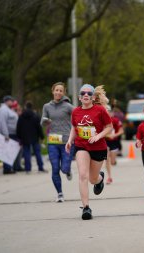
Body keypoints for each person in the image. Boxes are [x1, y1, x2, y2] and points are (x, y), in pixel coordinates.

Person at [65, 84, 112, 220]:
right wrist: (70, 140)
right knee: (83, 176)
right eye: (83, 93)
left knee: (92, 179)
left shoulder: (100, 110)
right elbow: (75, 127)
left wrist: (98, 136)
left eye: (89, 93)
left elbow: (109, 127)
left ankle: (100, 179)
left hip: (98, 147)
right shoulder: (75, 112)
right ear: (79, 97)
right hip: (82, 146)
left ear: (92, 97)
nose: (86, 95)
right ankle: (86, 208)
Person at [41, 82, 74, 202]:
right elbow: (42, 121)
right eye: (56, 90)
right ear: (53, 91)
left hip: (66, 142)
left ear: (64, 93)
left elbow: (78, 115)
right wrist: (46, 121)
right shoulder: (47, 106)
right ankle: (60, 193)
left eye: (61, 91)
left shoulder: (68, 106)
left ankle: (68, 170)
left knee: (64, 169)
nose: (58, 92)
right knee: (55, 168)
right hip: (53, 142)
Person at [17, 101, 46, 174]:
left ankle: (28, 169)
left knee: (27, 153)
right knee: (37, 152)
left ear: (25, 107)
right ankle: (40, 167)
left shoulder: (21, 116)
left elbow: (18, 127)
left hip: (24, 137)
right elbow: (39, 127)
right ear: (32, 107)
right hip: (35, 137)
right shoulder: (35, 116)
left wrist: (19, 137)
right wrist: (42, 137)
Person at [0, 95, 23, 174]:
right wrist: (6, 135)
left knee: (13, 151)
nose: (12, 102)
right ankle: (7, 169)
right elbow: (3, 123)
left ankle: (14, 166)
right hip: (9, 134)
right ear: (7, 101)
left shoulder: (8, 109)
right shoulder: (3, 110)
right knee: (8, 152)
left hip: (13, 134)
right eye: (11, 101)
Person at [105, 107, 124, 184]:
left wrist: (115, 135)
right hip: (105, 141)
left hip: (114, 141)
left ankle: (114, 161)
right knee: (106, 158)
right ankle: (109, 177)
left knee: (112, 162)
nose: (108, 113)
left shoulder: (115, 120)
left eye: (110, 112)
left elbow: (121, 131)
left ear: (112, 113)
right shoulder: (102, 120)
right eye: (107, 112)